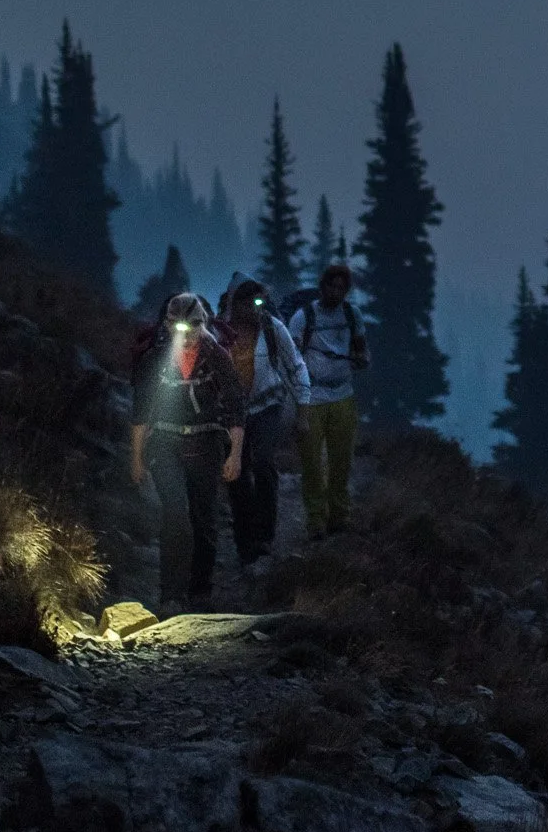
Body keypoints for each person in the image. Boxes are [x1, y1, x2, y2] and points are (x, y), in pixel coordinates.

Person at [129, 293, 246, 610]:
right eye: (181, 325)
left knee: (204, 516)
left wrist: (235, 454)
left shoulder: (217, 356)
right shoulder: (156, 359)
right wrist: (137, 458)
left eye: (195, 325)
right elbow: (141, 410)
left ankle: (200, 590)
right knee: (175, 511)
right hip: (165, 443)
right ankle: (171, 594)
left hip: (206, 443)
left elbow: (236, 406)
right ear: (168, 324)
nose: (189, 333)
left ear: (204, 323)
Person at [216, 272, 310, 574]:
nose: (255, 309)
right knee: (236, 473)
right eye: (249, 302)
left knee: (264, 462)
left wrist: (304, 410)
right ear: (236, 303)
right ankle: (246, 543)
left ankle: (266, 537)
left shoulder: (273, 328)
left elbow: (296, 366)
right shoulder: (219, 333)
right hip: (233, 413)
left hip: (268, 406)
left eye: (260, 301)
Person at [285, 260, 369, 537]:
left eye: (341, 288)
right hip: (312, 397)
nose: (335, 292)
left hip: (343, 394)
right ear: (322, 287)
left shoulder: (352, 315)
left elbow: (362, 351)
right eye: (331, 286)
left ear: (346, 291)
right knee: (311, 462)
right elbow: (292, 355)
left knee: (341, 461)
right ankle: (316, 520)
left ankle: (339, 516)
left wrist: (360, 359)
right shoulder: (303, 317)